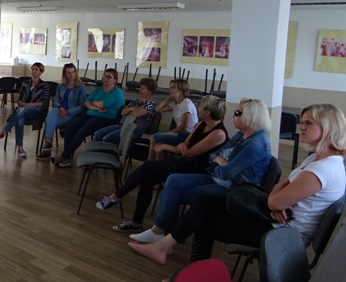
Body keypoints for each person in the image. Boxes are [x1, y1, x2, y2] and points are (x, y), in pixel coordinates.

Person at [128, 103, 346, 267]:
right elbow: (281, 186)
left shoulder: (323, 169)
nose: (301, 127)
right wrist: (280, 196)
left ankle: (189, 272)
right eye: (302, 122)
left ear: (327, 127)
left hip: (284, 234)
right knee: (205, 202)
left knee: (204, 222)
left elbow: (274, 199)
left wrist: (278, 199)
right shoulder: (317, 159)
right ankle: (162, 248)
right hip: (276, 219)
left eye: (308, 123)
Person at [128, 98, 272, 244]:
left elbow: (227, 173)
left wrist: (220, 163)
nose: (233, 115)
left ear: (250, 116)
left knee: (174, 192)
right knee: (173, 180)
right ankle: (160, 232)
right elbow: (214, 155)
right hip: (218, 178)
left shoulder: (255, 144)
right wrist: (221, 162)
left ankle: (162, 233)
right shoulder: (241, 135)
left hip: (233, 189)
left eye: (237, 113)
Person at [96, 95, 228, 232]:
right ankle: (135, 223)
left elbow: (190, 153)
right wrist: (182, 146)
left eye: (200, 106)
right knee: (148, 179)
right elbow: (186, 143)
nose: (198, 108)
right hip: (186, 163)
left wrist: (165, 146)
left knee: (148, 166)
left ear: (207, 112)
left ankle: (116, 196)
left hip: (198, 170)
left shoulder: (218, 133)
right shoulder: (201, 124)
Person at [51, 68, 125, 168]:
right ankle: (67, 157)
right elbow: (86, 102)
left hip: (106, 118)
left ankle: (63, 156)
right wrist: (96, 107)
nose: (105, 79)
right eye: (104, 76)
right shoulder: (98, 89)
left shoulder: (117, 92)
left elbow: (102, 104)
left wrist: (94, 103)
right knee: (69, 127)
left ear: (115, 80)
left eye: (109, 77)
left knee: (82, 131)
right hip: (91, 114)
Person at [0, 62, 50, 158]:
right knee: (20, 119)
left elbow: (44, 103)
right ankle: (20, 148)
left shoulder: (45, 85)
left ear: (41, 72)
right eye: (33, 69)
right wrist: (21, 103)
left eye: (36, 70)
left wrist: (27, 105)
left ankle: (3, 131)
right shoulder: (25, 83)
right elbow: (19, 98)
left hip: (37, 111)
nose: (34, 71)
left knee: (22, 110)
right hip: (23, 110)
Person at [36, 63, 86, 161]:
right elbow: (55, 101)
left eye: (73, 72)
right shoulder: (61, 86)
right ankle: (49, 144)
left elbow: (82, 107)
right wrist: (61, 108)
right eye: (69, 73)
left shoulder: (81, 87)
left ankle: (47, 149)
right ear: (65, 74)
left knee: (49, 121)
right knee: (52, 112)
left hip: (72, 113)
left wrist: (67, 111)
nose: (71, 75)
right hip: (59, 111)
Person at [92, 77, 158, 145]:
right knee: (98, 134)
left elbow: (135, 114)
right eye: (140, 88)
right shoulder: (136, 101)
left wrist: (131, 110)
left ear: (150, 91)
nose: (140, 90)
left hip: (133, 130)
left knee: (107, 139)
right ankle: (95, 151)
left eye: (143, 88)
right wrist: (131, 109)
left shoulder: (150, 104)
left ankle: (107, 151)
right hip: (122, 125)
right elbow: (123, 112)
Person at [148, 79, 198, 161]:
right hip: (180, 134)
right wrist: (168, 98)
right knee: (159, 144)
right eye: (170, 87)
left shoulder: (186, 103)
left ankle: (149, 163)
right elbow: (157, 109)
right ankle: (158, 166)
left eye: (173, 87)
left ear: (180, 90)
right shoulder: (175, 104)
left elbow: (183, 127)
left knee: (154, 137)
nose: (169, 89)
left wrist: (168, 133)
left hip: (187, 135)